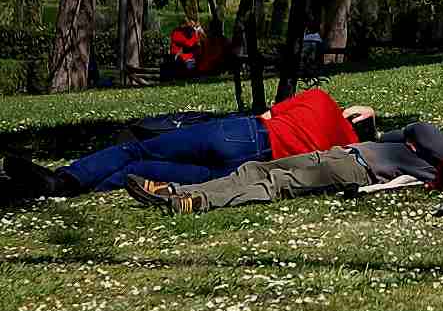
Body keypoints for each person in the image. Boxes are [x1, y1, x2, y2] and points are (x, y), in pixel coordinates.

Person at [124, 112, 443, 214]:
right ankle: (181, 193)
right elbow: (390, 139)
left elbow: (418, 131)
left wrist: (413, 131)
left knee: (276, 183)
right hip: (346, 156)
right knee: (259, 170)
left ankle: (197, 201)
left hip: (355, 169)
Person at [3, 88, 372, 197]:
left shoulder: (322, 100)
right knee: (142, 169)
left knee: (138, 147)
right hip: (244, 172)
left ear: (353, 112)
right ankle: (78, 188)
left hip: (247, 136)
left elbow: (271, 115)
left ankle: (64, 180)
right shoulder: (347, 154)